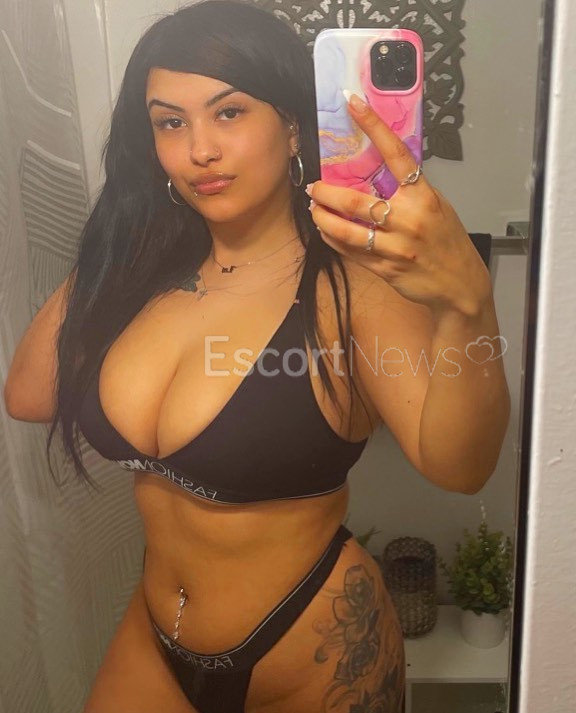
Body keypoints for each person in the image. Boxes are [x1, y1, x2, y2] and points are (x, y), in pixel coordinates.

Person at [4, 1, 510, 711]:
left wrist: (467, 304)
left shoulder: (351, 287)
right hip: (154, 638)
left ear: (293, 125)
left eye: (230, 112)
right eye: (169, 123)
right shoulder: (147, 278)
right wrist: (118, 236)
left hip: (312, 650)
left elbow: (460, 468)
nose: (199, 150)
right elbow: (29, 395)